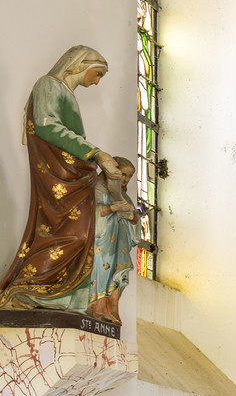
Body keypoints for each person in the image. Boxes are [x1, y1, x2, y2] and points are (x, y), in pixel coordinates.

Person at [0, 46, 123, 317]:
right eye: (98, 73)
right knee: (72, 234)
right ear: (78, 65)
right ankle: (28, 290)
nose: (98, 81)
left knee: (84, 235)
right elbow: (46, 125)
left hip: (72, 174)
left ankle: (65, 299)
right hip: (58, 175)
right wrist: (96, 153)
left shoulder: (65, 93)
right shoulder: (48, 85)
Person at [89, 157, 138, 325]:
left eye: (130, 176)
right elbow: (89, 213)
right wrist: (112, 208)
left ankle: (112, 311)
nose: (125, 179)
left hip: (120, 243)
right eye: (123, 174)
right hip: (102, 241)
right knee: (101, 271)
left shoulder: (122, 195)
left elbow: (135, 221)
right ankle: (97, 309)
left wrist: (132, 215)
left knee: (118, 275)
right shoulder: (96, 187)